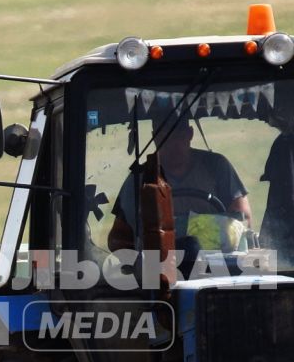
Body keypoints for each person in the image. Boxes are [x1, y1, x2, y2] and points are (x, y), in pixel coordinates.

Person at [107, 109, 252, 254]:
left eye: (178, 135)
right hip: (158, 271)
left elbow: (242, 219)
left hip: (218, 268)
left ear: (190, 134)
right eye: (165, 136)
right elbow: (118, 239)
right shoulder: (139, 178)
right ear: (154, 137)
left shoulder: (216, 166)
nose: (172, 143)